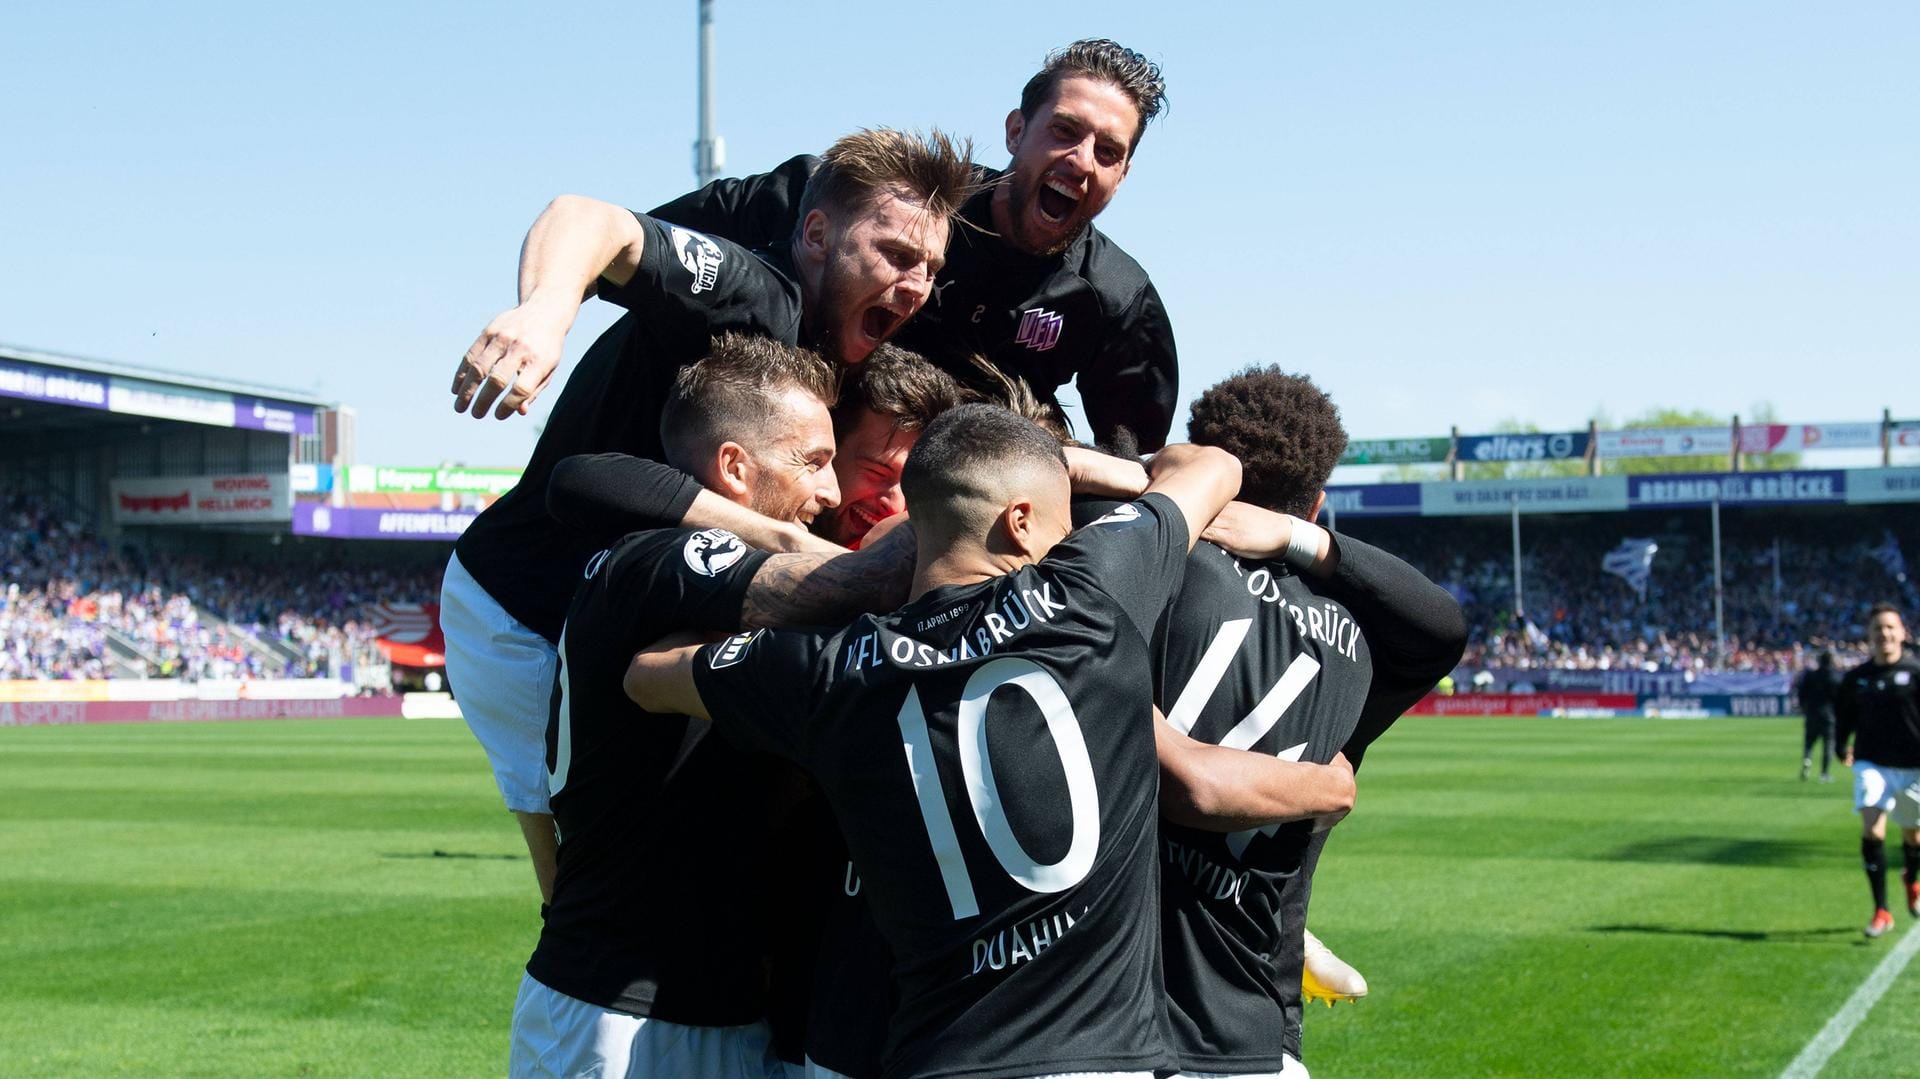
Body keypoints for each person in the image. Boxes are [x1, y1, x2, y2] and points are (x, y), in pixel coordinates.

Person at [626, 405, 1242, 1078]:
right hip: (1096, 1058)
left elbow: (646, 673)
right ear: (1022, 519)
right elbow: (1213, 465)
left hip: (934, 1057)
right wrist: (1068, 461)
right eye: (1062, 523)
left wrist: (818, 607)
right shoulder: (1089, 591)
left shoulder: (828, 669)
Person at [439, 129, 975, 902]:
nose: (916, 283)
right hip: (524, 611)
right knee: (591, 896)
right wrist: (545, 311)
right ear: (818, 236)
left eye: (930, 267)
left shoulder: (852, 345)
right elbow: (591, 218)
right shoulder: (755, 297)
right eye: (894, 253)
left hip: (633, 604)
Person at [516, 336, 892, 1078]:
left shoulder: (655, 563)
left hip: (710, 1010)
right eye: (813, 462)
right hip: (626, 1020)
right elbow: (827, 591)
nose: (831, 492)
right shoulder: (655, 557)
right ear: (734, 468)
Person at [1115, 367, 1465, 1077]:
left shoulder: (1135, 563)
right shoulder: (1361, 639)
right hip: (1254, 1020)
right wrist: (1308, 543)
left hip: (1110, 1009)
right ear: (1317, 500)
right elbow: (1443, 626)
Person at [650, 39, 1179, 450]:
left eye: (1108, 151)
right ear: (1016, 131)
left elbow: (1129, 462)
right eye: (1065, 130)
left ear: (1124, 174)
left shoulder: (1118, 300)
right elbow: (662, 237)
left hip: (962, 509)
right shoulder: (910, 204)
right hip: (816, 470)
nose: (1082, 160)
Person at [1836, 603, 1920, 937]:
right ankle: (1881, 910)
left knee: (1913, 836)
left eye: (1889, 627)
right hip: (1872, 764)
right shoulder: (1857, 679)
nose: (1884, 634)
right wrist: (1842, 747)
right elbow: (1843, 717)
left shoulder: (1916, 673)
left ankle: (1911, 880)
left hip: (1914, 767)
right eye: (1877, 629)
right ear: (1869, 637)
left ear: (1902, 633)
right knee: (1872, 830)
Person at [1797, 651, 1840, 781]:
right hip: (1828, 715)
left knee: (1809, 742)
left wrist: (1804, 707)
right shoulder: (1834, 677)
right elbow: (1839, 698)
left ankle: (1807, 760)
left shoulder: (1810, 675)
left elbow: (1801, 693)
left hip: (1812, 713)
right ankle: (1824, 773)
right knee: (1828, 744)